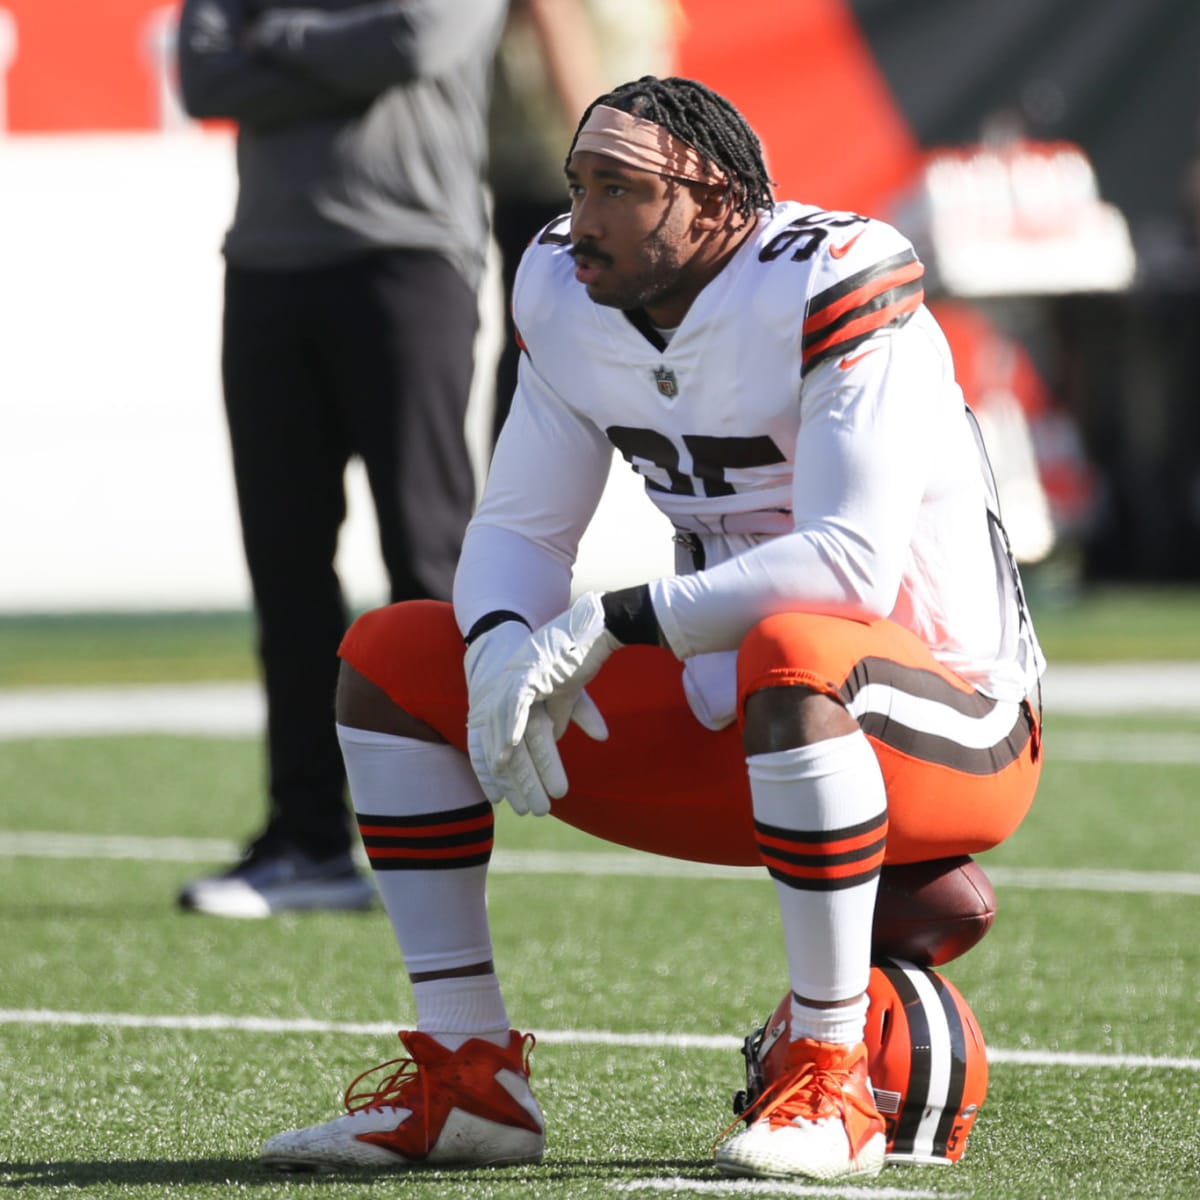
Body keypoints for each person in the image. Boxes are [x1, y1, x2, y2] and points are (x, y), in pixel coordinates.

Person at [258, 76, 1045, 1181]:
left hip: (950, 723)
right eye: (579, 183)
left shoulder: (829, 278)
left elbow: (848, 565)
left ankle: (829, 1076)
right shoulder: (565, 286)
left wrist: (608, 625)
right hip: (740, 718)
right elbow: (522, 527)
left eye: (619, 188)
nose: (583, 218)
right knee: (395, 658)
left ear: (715, 200)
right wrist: (496, 652)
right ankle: (470, 1079)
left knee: (799, 646)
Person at [172, 0, 508, 917]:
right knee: (286, 572)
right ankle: (308, 840)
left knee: (427, 564)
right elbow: (202, 73)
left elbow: (415, 39)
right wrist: (332, 52)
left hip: (410, 260)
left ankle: (444, 831)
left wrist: (273, 36)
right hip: (268, 266)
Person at [488, 0, 678, 438]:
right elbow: (552, 18)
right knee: (544, 341)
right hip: (568, 176)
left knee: (583, 339)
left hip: (600, 167)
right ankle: (522, 493)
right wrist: (605, 154)